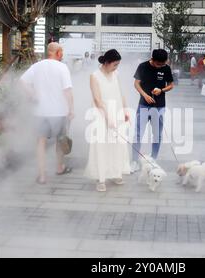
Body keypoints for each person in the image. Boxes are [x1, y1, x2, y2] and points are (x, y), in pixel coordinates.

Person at [20, 42, 74, 184]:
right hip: (59, 111)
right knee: (60, 140)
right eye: (61, 51)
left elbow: (22, 81)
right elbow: (67, 91)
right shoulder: (62, 67)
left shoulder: (37, 66)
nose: (62, 54)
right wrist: (71, 109)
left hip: (40, 111)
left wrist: (32, 95)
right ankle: (59, 167)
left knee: (41, 142)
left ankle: (42, 175)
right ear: (56, 52)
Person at [85, 49, 131, 192]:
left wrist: (125, 110)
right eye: (114, 65)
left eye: (117, 65)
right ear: (106, 62)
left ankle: (116, 173)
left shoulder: (116, 74)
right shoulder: (94, 76)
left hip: (116, 112)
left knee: (117, 144)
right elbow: (98, 100)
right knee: (101, 145)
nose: (116, 67)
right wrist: (107, 118)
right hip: (101, 114)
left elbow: (121, 93)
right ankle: (101, 178)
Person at [130, 49, 174, 172]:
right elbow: (136, 84)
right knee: (138, 134)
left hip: (159, 107)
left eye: (163, 64)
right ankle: (134, 161)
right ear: (152, 59)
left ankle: (153, 160)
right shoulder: (143, 66)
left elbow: (171, 85)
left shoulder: (166, 68)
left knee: (157, 135)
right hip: (144, 105)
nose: (161, 66)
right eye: (159, 64)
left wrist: (162, 90)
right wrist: (145, 95)